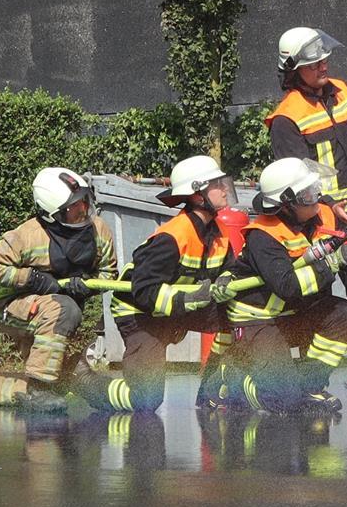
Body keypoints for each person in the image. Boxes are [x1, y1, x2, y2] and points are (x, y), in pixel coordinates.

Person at [265, 27, 347, 401]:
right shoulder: (286, 118)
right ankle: (312, 388)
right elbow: (294, 179)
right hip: (317, 228)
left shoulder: (345, 93)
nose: (324, 65)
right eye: (313, 62)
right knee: (319, 308)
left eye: (324, 58)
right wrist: (327, 206)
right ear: (293, 69)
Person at [0, 166, 116, 408]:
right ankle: (39, 387)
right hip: (15, 307)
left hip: (52, 315)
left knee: (61, 388)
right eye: (73, 209)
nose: (82, 212)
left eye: (84, 203)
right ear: (52, 214)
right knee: (65, 310)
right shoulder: (28, 235)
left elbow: (108, 273)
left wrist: (88, 287)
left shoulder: (99, 231)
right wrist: (31, 278)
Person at [73, 155, 235, 414]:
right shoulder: (172, 238)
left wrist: (229, 279)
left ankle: (211, 390)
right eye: (217, 184)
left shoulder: (219, 235)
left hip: (180, 309)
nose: (225, 188)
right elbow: (143, 290)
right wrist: (189, 299)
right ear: (197, 194)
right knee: (146, 399)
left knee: (236, 313)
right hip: (141, 313)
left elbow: (229, 272)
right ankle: (86, 383)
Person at [216, 157, 347, 415]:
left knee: (345, 314)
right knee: (283, 402)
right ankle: (234, 382)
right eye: (308, 195)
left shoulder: (317, 218)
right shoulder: (262, 238)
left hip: (293, 314)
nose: (316, 197)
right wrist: (331, 264)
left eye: (315, 190)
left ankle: (310, 387)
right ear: (286, 204)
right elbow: (287, 285)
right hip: (259, 321)